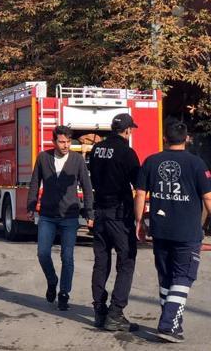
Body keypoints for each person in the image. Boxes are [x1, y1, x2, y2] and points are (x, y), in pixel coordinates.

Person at [134, 120, 211, 343]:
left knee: (167, 278)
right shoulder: (196, 164)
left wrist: (139, 222)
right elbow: (209, 196)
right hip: (187, 232)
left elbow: (140, 193)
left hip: (161, 230)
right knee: (183, 277)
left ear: (164, 138)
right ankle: (167, 325)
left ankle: (173, 323)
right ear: (187, 138)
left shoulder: (152, 162)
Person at [27, 125, 93, 311]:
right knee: (42, 253)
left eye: (68, 142)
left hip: (69, 216)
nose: (66, 145)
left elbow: (87, 187)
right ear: (53, 141)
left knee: (67, 257)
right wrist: (31, 205)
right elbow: (34, 182)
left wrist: (89, 212)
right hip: (47, 215)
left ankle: (64, 293)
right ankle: (51, 280)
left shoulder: (77, 160)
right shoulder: (43, 158)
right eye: (62, 142)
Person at [88, 113, 141, 330]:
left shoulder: (96, 149)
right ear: (128, 130)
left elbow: (92, 176)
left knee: (101, 262)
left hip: (99, 212)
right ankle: (116, 312)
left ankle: (99, 310)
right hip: (119, 214)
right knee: (126, 260)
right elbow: (139, 184)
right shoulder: (127, 153)